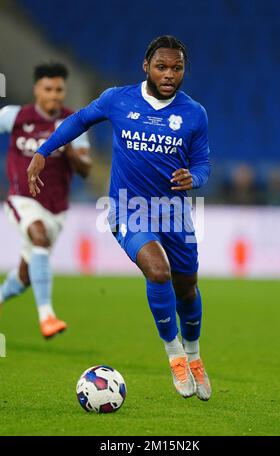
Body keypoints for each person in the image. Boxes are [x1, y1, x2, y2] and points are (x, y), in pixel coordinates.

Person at [27, 36, 212, 400]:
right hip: (126, 208)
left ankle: (194, 355)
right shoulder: (118, 99)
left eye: (177, 68)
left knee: (187, 287)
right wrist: (44, 151)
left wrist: (196, 177)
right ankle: (174, 354)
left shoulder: (195, 114)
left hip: (174, 212)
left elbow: (203, 162)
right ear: (146, 66)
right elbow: (79, 119)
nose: (169, 74)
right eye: (162, 66)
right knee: (159, 271)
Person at [0, 63, 92, 338]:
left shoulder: (73, 122)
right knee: (38, 236)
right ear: (36, 90)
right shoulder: (14, 116)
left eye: (59, 90)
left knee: (27, 275)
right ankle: (47, 317)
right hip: (22, 199)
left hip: (57, 209)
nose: (54, 95)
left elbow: (86, 169)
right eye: (48, 89)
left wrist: (68, 148)